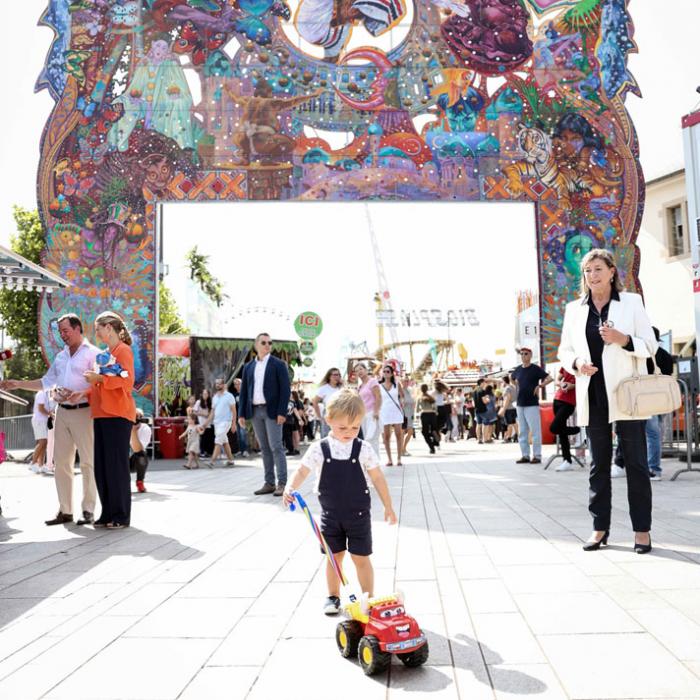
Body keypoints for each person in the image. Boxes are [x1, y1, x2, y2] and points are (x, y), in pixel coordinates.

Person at [558, 248, 657, 554]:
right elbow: (564, 350)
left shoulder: (631, 303)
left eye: (598, 269)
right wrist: (576, 363)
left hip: (626, 393)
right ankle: (599, 528)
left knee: (637, 464)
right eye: (587, 271)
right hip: (593, 392)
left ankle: (642, 531)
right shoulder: (574, 309)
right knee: (598, 464)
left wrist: (623, 339)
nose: (593, 275)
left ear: (612, 271)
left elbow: (651, 345)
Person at [283, 389, 397, 615]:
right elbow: (303, 470)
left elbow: (377, 478)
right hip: (330, 516)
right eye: (342, 427)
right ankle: (332, 596)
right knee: (333, 557)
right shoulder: (320, 448)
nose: (349, 432)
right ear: (329, 420)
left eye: (355, 427)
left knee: (361, 557)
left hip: (359, 516)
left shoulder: (363, 448)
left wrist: (388, 505)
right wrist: (290, 487)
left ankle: (368, 598)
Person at [1, 314, 99, 526]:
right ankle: (66, 511)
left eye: (66, 331)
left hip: (84, 412)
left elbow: (101, 383)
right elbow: (46, 382)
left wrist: (81, 393)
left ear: (78, 329)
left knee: (88, 462)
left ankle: (88, 510)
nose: (62, 335)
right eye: (60, 331)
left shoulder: (93, 354)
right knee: (61, 462)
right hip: (61, 412)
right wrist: (17, 383)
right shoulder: (61, 356)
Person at [82, 311, 136, 529]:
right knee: (102, 466)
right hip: (102, 413)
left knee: (117, 466)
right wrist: (82, 393)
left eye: (98, 328)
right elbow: (100, 385)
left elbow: (126, 380)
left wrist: (100, 379)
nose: (96, 332)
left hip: (118, 414)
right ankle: (107, 513)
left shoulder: (123, 351)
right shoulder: (103, 354)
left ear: (109, 328)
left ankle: (121, 515)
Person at [238, 332, 291, 497]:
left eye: (270, 342)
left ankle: (282, 484)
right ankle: (269, 483)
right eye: (264, 342)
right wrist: (241, 415)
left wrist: (282, 411)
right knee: (264, 448)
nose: (267, 345)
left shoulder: (278, 364)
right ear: (256, 345)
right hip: (255, 411)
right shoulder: (248, 367)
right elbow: (244, 392)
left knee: (276, 447)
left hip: (273, 411)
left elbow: (285, 390)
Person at [511, 348, 552, 464]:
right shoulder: (518, 369)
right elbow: (512, 378)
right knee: (522, 431)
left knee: (535, 431)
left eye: (526, 354)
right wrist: (516, 386)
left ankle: (537, 455)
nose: (523, 356)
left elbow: (549, 378)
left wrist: (540, 386)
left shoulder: (535, 369)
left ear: (530, 355)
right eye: (522, 354)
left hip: (532, 404)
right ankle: (525, 455)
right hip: (520, 403)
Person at [646, 327, 674, 481]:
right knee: (655, 433)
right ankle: (653, 467)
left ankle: (654, 469)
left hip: (648, 398)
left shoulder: (647, 355)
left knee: (651, 433)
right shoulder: (666, 355)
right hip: (662, 398)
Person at [550, 367, 580, 472]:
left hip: (569, 403)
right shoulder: (566, 364)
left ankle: (578, 429)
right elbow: (557, 380)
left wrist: (573, 386)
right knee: (562, 432)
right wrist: (561, 384)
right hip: (557, 399)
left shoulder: (582, 365)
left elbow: (585, 384)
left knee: (554, 428)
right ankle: (567, 461)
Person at [203, 378, 236, 468]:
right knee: (224, 441)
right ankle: (231, 460)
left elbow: (234, 411)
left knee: (218, 441)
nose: (217, 385)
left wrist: (234, 423)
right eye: (216, 383)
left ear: (223, 385)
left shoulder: (229, 396)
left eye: (219, 383)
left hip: (226, 422)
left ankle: (212, 462)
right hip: (217, 423)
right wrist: (205, 424)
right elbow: (212, 412)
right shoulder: (215, 397)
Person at [379, 365, 404, 466]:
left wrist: (402, 403)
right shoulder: (379, 385)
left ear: (392, 373)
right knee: (386, 436)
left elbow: (402, 396)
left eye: (388, 371)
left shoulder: (397, 384)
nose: (386, 373)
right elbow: (378, 398)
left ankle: (399, 458)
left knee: (399, 434)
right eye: (384, 371)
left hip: (396, 411)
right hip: (385, 412)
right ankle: (389, 459)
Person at [355, 362, 382, 457]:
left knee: (372, 438)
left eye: (361, 369)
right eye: (357, 371)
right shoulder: (360, 386)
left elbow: (378, 396)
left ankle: (376, 463)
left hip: (372, 414)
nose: (359, 372)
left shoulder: (373, 381)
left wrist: (376, 411)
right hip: (363, 416)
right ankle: (370, 463)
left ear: (366, 370)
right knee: (366, 440)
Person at [313, 368, 343, 438]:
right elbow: (314, 402)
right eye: (335, 375)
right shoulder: (324, 388)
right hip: (328, 415)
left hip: (340, 415)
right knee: (327, 438)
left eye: (339, 375)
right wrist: (319, 416)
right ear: (329, 376)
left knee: (339, 438)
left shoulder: (341, 388)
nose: (337, 377)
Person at [130, 409, 152, 491]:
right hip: (122, 459)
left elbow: (138, 449)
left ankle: (140, 481)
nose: (135, 419)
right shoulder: (123, 426)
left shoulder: (145, 429)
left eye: (138, 417)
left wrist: (133, 431)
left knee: (141, 456)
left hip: (134, 460)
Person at [29, 389, 51, 473]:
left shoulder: (45, 393)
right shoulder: (41, 393)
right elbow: (41, 408)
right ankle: (33, 463)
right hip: (39, 420)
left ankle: (41, 465)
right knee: (42, 442)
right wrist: (50, 414)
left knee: (44, 443)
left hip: (43, 420)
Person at [417, 384, 438, 454]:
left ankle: (432, 447)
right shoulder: (431, 397)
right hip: (432, 414)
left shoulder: (419, 398)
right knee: (433, 429)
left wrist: (417, 416)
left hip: (424, 414)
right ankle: (434, 436)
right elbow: (435, 407)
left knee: (424, 432)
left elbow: (417, 409)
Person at [232, 378, 250, 457]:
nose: (237, 385)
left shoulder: (246, 394)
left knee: (243, 433)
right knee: (238, 434)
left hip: (244, 416)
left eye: (239, 383)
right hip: (236, 417)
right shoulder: (234, 395)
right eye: (236, 384)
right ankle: (240, 450)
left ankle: (245, 450)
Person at [193, 389, 213, 457]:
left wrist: (208, 415)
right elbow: (194, 412)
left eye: (206, 394)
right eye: (204, 394)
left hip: (209, 423)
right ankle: (201, 452)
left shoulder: (210, 402)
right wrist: (203, 414)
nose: (205, 395)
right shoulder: (198, 402)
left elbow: (211, 413)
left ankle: (206, 452)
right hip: (201, 423)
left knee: (208, 438)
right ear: (202, 394)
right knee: (202, 438)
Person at [499, 375, 518, 443]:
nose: (501, 383)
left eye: (502, 381)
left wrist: (504, 409)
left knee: (509, 423)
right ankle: (517, 436)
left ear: (504, 381)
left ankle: (508, 437)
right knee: (514, 422)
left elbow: (507, 398)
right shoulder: (513, 387)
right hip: (513, 407)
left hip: (508, 408)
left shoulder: (507, 388)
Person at [402, 380, 416, 456]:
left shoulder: (409, 390)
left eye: (407, 381)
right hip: (403, 414)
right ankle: (402, 450)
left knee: (410, 432)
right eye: (405, 381)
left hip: (410, 414)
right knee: (402, 433)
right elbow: (402, 402)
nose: (406, 382)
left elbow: (412, 402)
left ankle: (403, 448)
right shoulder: (400, 391)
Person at [472, 378, 488, 444]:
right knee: (484, 424)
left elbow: (473, 402)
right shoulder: (482, 391)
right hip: (483, 409)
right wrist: (488, 400)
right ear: (481, 383)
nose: (485, 384)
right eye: (484, 382)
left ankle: (479, 439)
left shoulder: (474, 391)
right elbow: (484, 401)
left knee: (478, 424)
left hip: (476, 409)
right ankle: (484, 439)